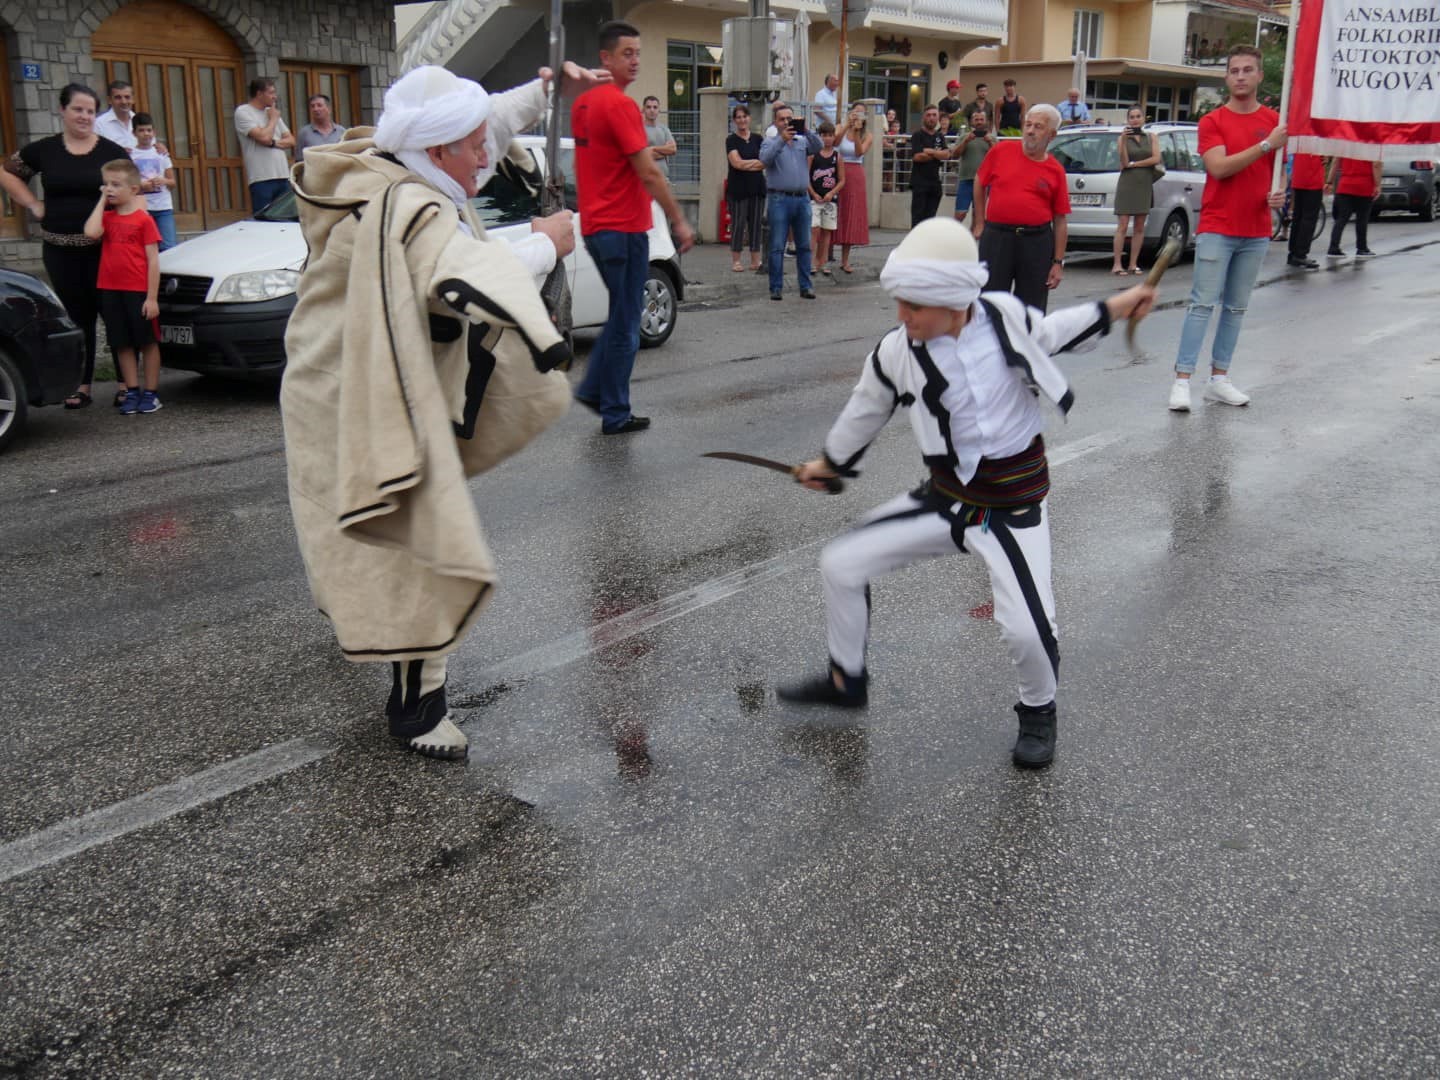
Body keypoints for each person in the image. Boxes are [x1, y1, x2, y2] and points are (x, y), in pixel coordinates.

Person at [281, 63, 596, 762]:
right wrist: (547, 242)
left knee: (395, 539)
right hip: (356, 397)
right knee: (424, 539)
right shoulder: (410, 207)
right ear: (438, 147)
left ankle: (404, 678)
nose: (487, 153)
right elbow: (454, 271)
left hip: (365, 383)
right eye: (473, 144)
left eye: (484, 138)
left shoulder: (400, 167)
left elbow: (481, 127)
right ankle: (418, 714)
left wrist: (547, 90)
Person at [777, 217, 1158, 770]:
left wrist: (1121, 304)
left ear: (955, 301)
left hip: (1012, 506)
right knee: (841, 562)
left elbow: (1057, 331)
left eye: (914, 306)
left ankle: (1038, 711)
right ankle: (846, 679)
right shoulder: (896, 352)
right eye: (900, 305)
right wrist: (829, 464)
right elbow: (864, 410)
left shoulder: (1004, 318)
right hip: (948, 498)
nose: (903, 317)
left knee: (1028, 630)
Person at [572, 21, 695, 433]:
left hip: (594, 227)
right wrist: (678, 220)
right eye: (627, 53)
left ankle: (595, 391)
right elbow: (649, 172)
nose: (636, 60)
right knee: (626, 322)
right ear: (605, 58)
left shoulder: (584, 104)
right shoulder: (621, 107)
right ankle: (614, 410)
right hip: (623, 227)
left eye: (638, 53)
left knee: (621, 313)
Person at [1168, 44, 1286, 412]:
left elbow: (1276, 170)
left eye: (1247, 70)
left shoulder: (1273, 120)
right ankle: (1182, 380)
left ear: (1259, 75)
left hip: (1256, 228)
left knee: (1236, 308)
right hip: (1218, 226)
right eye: (1234, 70)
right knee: (1202, 304)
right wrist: (1267, 145)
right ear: (1226, 77)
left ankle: (1219, 378)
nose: (1240, 76)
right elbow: (1218, 167)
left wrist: (1280, 191)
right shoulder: (1213, 121)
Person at [1, 83, 130, 409]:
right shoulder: (45, 149)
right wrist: (33, 204)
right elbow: (7, 173)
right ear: (63, 111)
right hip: (59, 251)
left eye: (89, 110)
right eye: (78, 109)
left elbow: (133, 193)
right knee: (77, 316)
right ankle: (82, 385)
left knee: (112, 313)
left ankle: (126, 383)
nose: (84, 116)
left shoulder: (112, 152)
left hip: (105, 249)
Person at [83, 160, 163, 415]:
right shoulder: (106, 217)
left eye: (116, 185)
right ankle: (131, 390)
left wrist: (151, 298)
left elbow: (153, 260)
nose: (110, 189)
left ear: (134, 189)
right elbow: (91, 233)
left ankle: (151, 392)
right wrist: (101, 201)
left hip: (137, 290)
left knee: (147, 342)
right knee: (122, 343)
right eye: (106, 184)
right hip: (110, 289)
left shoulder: (144, 220)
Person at [972, 104, 1069, 314]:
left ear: (1051, 135)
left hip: (1036, 242)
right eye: (1028, 125)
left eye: (1038, 127)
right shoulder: (1001, 150)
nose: (1031, 131)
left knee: (1031, 307)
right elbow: (979, 182)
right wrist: (980, 222)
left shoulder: (1055, 170)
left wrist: (1058, 262)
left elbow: (1060, 219)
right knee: (990, 302)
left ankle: (1027, 345)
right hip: (997, 237)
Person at [760, 101, 822, 301]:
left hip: (801, 198)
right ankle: (775, 288)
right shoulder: (769, 142)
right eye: (782, 119)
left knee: (804, 245)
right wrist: (781, 140)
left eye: (790, 118)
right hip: (779, 198)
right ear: (775, 123)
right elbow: (765, 160)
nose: (786, 122)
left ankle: (805, 286)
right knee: (777, 245)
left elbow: (819, 146)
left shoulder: (801, 141)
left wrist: (806, 129)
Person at [234, 77, 296, 212]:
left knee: (285, 219)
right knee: (265, 220)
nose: (275, 97)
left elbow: (291, 140)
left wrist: (273, 142)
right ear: (259, 93)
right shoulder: (244, 112)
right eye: (271, 92)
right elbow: (263, 137)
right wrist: (273, 119)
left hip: (282, 176)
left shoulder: (270, 111)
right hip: (261, 178)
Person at [1113, 105, 1161, 275]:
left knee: (1139, 225)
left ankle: (1133, 263)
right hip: (1128, 183)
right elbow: (1125, 163)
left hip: (1144, 183)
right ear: (1128, 120)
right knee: (1123, 224)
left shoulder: (1152, 137)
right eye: (1132, 117)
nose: (1135, 119)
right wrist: (1124, 141)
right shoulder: (1122, 138)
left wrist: (1137, 164)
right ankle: (1117, 263)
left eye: (1138, 116)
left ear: (1143, 118)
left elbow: (1156, 158)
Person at [725, 103, 765, 273]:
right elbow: (736, 163)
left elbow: (765, 162)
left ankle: (756, 260)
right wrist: (753, 163)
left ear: (749, 118)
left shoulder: (758, 139)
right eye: (738, 117)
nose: (742, 120)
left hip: (757, 188)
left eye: (744, 116)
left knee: (756, 225)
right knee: (738, 225)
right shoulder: (731, 140)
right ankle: (736, 261)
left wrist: (746, 164)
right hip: (738, 189)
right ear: (734, 120)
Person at [128, 112, 177, 251]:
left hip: (163, 208)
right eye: (141, 130)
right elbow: (126, 185)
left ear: (154, 132)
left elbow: (173, 182)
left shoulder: (161, 153)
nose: (146, 134)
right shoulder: (130, 155)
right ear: (134, 133)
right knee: (143, 248)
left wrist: (164, 181)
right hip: (141, 208)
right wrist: (140, 186)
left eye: (149, 130)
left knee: (169, 247)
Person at [832, 103, 872, 273]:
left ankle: (845, 259)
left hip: (855, 172)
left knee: (851, 213)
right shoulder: (840, 127)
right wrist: (847, 126)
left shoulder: (867, 135)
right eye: (855, 112)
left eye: (861, 114)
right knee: (834, 211)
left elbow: (858, 152)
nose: (858, 116)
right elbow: (834, 142)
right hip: (838, 169)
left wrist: (856, 132)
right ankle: (824, 256)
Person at [1325, 156, 1381, 260]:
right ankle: (1362, 248)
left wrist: (1329, 182)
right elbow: (1376, 165)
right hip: (1364, 185)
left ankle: (1333, 248)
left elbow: (1335, 162)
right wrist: (1377, 185)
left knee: (1341, 219)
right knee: (1362, 219)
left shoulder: (1346, 142)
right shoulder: (1372, 144)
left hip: (1345, 185)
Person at [808, 121, 844, 275]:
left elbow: (842, 180)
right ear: (819, 136)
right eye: (824, 136)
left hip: (830, 199)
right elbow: (806, 177)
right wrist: (813, 193)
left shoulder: (837, 156)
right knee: (814, 229)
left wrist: (832, 192)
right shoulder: (813, 155)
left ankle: (823, 261)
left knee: (826, 231)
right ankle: (811, 262)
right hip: (815, 198)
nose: (827, 139)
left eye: (830, 135)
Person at [950, 109, 994, 227]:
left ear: (986, 121)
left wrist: (990, 143)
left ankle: (973, 240)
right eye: (976, 120)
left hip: (983, 182)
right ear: (971, 122)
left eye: (981, 119)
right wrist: (966, 141)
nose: (979, 122)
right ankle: (951, 236)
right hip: (966, 180)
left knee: (977, 215)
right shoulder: (964, 137)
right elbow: (954, 154)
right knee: (960, 213)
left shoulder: (992, 138)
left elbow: (999, 158)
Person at [908, 104, 947, 227]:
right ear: (924, 118)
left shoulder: (939, 136)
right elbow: (917, 157)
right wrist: (937, 154)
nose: (931, 118)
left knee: (931, 219)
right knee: (918, 218)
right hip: (920, 182)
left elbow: (946, 154)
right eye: (928, 115)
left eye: (934, 115)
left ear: (938, 118)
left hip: (935, 183)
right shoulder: (917, 135)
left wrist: (931, 152)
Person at [1286, 151, 1326, 269]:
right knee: (1309, 219)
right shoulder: (1316, 138)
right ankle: (1301, 254)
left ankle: (1293, 252)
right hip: (1312, 180)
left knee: (1298, 218)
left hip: (1299, 178)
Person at [295, 93, 344, 161]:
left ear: (329, 109)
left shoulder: (341, 132)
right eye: (312, 106)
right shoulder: (304, 133)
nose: (315, 109)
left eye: (319, 105)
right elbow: (299, 160)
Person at [94, 80, 138, 150]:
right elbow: (95, 153)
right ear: (109, 100)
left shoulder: (140, 121)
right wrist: (119, 153)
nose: (123, 102)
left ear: (133, 99)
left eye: (127, 97)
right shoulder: (98, 124)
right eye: (118, 97)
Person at [641, 95, 677, 178]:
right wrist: (664, 151)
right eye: (648, 107)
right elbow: (642, 155)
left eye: (655, 107)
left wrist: (653, 148)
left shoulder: (664, 129)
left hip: (664, 178)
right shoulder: (639, 130)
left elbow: (673, 149)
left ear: (659, 110)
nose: (652, 110)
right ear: (643, 109)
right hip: (645, 179)